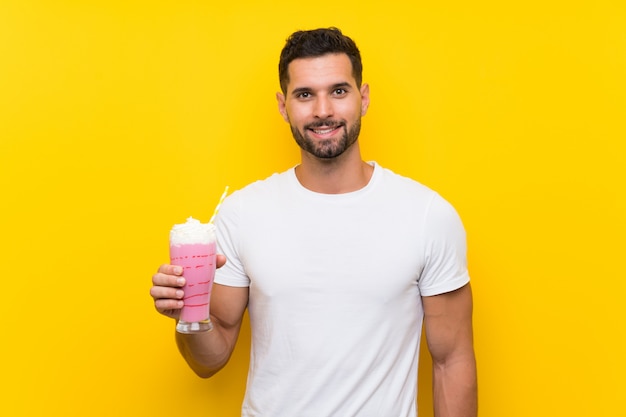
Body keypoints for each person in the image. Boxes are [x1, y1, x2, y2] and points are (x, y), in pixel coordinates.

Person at [151, 27, 477, 417]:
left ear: (364, 97)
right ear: (283, 105)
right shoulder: (242, 213)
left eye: (339, 91)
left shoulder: (427, 215)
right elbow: (209, 360)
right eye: (305, 94)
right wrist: (191, 315)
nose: (323, 110)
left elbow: (452, 361)